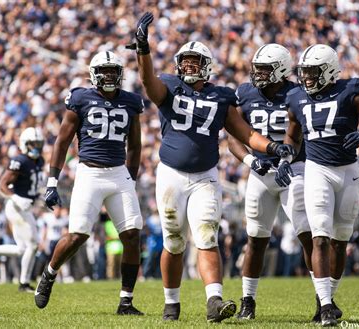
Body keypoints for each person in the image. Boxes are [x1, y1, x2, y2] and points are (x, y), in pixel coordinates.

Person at [131, 12, 295, 323]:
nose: (189, 66)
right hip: (171, 174)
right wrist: (143, 49)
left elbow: (243, 132)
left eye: (195, 61)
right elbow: (147, 82)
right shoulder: (169, 85)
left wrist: (272, 146)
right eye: (186, 61)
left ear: (207, 66)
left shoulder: (221, 96)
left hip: (206, 176)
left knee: (207, 235)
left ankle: (214, 301)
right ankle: (171, 303)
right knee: (174, 242)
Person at [279, 44, 359, 326]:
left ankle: (325, 299)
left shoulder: (350, 91)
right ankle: (327, 305)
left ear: (328, 70)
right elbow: (293, 136)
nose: (306, 79)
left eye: (312, 72)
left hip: (348, 171)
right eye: (304, 73)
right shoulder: (296, 98)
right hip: (317, 170)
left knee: (340, 241)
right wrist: (284, 157)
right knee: (320, 237)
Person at [35, 50, 145, 316]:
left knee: (131, 235)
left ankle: (126, 301)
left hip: (118, 173)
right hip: (89, 173)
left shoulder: (130, 101)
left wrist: (130, 175)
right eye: (104, 70)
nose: (109, 75)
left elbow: (135, 144)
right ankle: (49, 274)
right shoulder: (81, 98)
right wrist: (52, 181)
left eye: (113, 70)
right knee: (78, 236)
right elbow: (62, 141)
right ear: (94, 73)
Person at [227, 43, 316, 320]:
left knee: (307, 236)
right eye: (257, 68)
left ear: (280, 69)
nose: (258, 74)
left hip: (294, 169)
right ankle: (248, 302)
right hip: (261, 172)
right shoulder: (245, 92)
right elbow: (234, 135)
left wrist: (287, 161)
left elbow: (304, 132)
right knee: (256, 240)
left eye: (264, 69)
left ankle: (323, 299)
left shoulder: (297, 93)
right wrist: (249, 161)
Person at [0, 127, 45, 292]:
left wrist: (40, 198)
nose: (37, 148)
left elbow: (32, 187)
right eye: (33, 144)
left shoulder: (39, 161)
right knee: (33, 245)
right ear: (25, 144)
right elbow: (2, 185)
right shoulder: (20, 160)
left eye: (39, 144)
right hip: (16, 206)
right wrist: (16, 197)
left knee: (22, 249)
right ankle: (24, 283)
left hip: (25, 206)